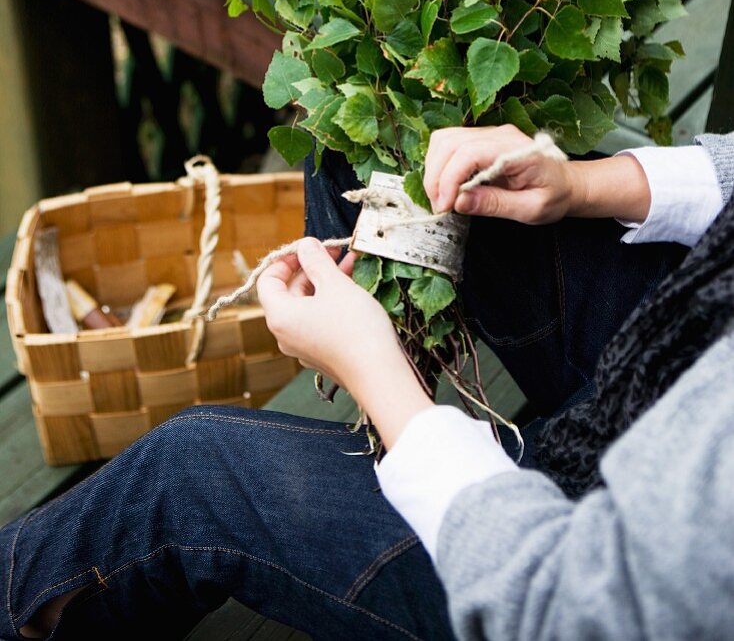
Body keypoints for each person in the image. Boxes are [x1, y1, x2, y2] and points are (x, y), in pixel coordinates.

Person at [1, 126, 732, 640]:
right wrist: (581, 184)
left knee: (190, 473)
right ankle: (386, 459)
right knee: (372, 158)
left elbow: (575, 612)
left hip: (566, 552)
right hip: (687, 332)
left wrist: (380, 377)